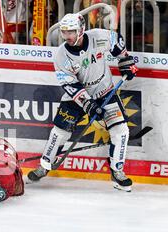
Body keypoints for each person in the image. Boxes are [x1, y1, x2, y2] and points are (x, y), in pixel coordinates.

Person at [27, 13, 138, 192]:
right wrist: (88, 104)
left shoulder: (99, 37)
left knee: (121, 130)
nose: (67, 37)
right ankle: (44, 166)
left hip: (104, 90)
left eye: (71, 32)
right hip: (76, 97)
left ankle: (117, 171)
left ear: (81, 29)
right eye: (64, 32)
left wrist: (126, 60)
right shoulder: (61, 56)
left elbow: (117, 41)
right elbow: (70, 84)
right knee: (60, 131)